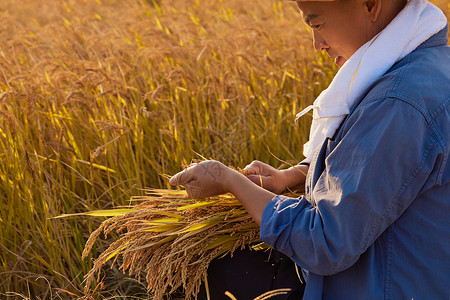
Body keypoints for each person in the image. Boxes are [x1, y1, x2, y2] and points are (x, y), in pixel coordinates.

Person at [170, 0, 450, 298]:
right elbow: (387, 173)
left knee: (194, 279)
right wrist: (293, 176)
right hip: (412, 276)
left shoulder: (396, 105)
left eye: (317, 25)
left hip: (380, 286)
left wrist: (229, 179)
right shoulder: (431, 66)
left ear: (370, 5)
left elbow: (326, 243)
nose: (317, 44)